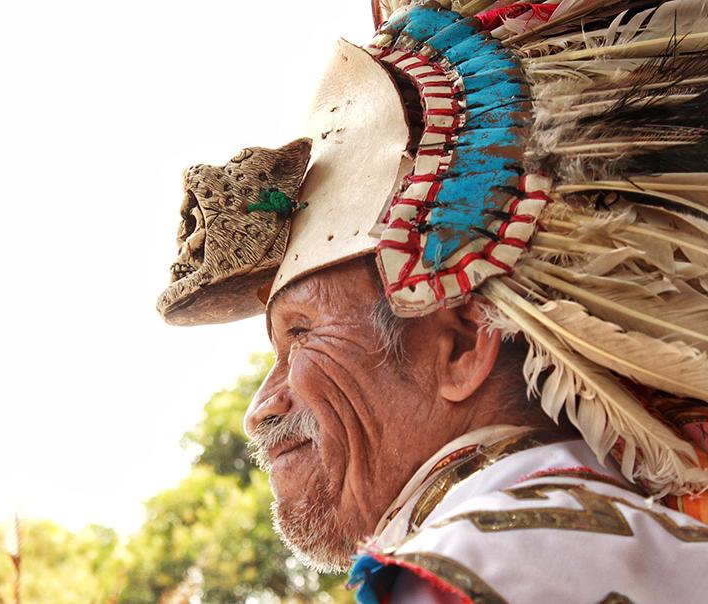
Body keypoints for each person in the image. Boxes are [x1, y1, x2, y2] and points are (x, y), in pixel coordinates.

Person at [158, 1, 708, 602]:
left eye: (301, 333)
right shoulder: (672, 554)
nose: (259, 410)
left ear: (461, 344)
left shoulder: (467, 570)